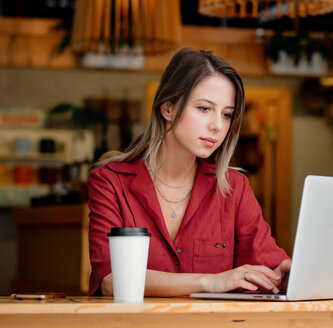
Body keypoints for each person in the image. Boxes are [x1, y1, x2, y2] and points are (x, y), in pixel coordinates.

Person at [87, 48, 291, 297]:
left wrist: (287, 274)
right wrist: (211, 281)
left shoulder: (234, 188)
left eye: (227, 114)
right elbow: (112, 281)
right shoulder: (110, 182)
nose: (217, 125)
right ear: (167, 108)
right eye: (204, 108)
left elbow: (269, 265)